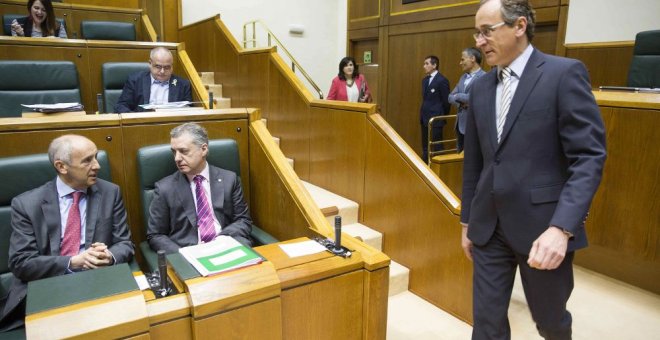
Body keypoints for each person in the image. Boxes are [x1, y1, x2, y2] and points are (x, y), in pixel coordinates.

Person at [460, 0, 607, 339]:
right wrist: (467, 220)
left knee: (551, 322)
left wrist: (563, 228)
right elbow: (475, 163)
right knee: (486, 325)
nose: (479, 42)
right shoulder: (480, 87)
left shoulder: (563, 74)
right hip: (488, 227)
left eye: (486, 32)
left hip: (544, 229)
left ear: (520, 26)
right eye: (477, 33)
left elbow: (588, 156)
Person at [0, 135, 134, 331]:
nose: (97, 165)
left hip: (97, 282)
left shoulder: (110, 192)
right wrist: (73, 262)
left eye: (95, 157)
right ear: (62, 167)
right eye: (87, 160)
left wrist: (108, 256)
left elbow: (124, 243)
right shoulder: (27, 204)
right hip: (47, 288)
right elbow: (21, 263)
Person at [147, 123, 253, 254]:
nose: (177, 158)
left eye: (183, 151)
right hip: (189, 253)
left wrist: (223, 238)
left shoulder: (229, 179)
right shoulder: (164, 188)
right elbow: (155, 235)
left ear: (203, 149)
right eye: (174, 152)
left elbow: (243, 220)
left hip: (227, 246)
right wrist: (182, 254)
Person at [114, 47, 192, 113]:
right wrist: (137, 119)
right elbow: (121, 106)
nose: (162, 71)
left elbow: (189, 110)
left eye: (167, 67)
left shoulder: (183, 84)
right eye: (158, 66)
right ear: (150, 63)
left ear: (172, 66)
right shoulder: (135, 80)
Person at [448, 47, 485, 152]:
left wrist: (459, 96)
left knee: (471, 156)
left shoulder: (484, 77)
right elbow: (450, 97)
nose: (460, 63)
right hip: (460, 124)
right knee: (459, 157)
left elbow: (476, 98)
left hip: (474, 125)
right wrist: (462, 103)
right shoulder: (463, 77)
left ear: (472, 58)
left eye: (463, 59)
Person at [420, 55, 450, 162]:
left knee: (437, 146)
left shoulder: (442, 80)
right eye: (424, 64)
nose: (424, 66)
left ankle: (438, 171)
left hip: (436, 118)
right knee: (425, 146)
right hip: (424, 118)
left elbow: (446, 102)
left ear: (434, 65)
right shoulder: (424, 81)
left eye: (427, 64)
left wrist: (441, 115)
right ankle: (424, 167)